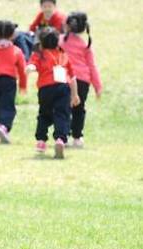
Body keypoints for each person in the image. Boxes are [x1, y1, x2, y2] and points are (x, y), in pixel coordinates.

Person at [27, 27, 81, 159]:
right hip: (63, 88)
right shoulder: (63, 55)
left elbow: (33, 65)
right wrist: (75, 95)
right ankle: (60, 139)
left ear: (42, 42)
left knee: (44, 114)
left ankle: (41, 141)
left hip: (45, 89)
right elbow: (72, 77)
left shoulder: (39, 54)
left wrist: (30, 68)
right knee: (62, 114)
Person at [59, 11, 102, 148]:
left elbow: (55, 59)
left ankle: (62, 136)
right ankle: (77, 137)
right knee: (79, 109)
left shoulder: (59, 40)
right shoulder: (85, 45)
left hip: (63, 78)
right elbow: (92, 66)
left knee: (62, 109)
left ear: (67, 25)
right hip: (83, 80)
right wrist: (98, 86)